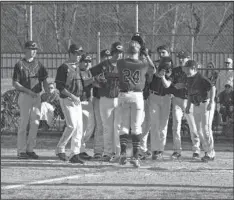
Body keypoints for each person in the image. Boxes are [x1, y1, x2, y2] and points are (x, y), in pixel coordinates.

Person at [117, 35, 155, 168]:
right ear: (139, 51)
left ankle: (122, 153)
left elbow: (125, 58)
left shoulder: (121, 63)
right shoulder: (143, 64)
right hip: (137, 96)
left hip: (123, 95)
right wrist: (146, 54)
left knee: (124, 126)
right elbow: (153, 70)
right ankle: (135, 156)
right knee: (136, 127)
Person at [12, 40, 49, 159]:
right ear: (25, 50)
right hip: (25, 96)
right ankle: (21, 150)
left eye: (35, 50)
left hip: (37, 96)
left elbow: (44, 80)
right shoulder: (19, 64)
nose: (34, 52)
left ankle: (30, 149)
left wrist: (48, 92)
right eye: (31, 49)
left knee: (35, 124)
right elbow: (15, 83)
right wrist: (28, 91)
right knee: (23, 123)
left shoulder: (39, 64)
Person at [55, 44, 88, 163]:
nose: (78, 56)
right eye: (76, 53)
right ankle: (60, 148)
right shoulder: (63, 67)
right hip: (67, 100)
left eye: (79, 54)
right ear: (70, 53)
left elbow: (81, 83)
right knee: (72, 126)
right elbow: (60, 87)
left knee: (79, 128)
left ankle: (75, 153)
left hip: (77, 100)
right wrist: (72, 96)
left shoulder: (78, 67)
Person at [89, 43, 123, 162]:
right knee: (107, 127)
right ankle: (108, 153)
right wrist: (96, 81)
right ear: (112, 52)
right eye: (116, 52)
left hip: (119, 99)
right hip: (105, 99)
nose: (118, 55)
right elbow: (89, 74)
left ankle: (119, 153)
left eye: (120, 53)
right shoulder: (104, 64)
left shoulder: (123, 65)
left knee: (118, 127)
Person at [169, 51, 200, 159]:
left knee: (193, 126)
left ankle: (196, 150)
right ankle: (177, 150)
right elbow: (170, 82)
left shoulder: (191, 70)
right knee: (176, 125)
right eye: (179, 57)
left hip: (188, 100)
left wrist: (183, 85)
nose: (181, 59)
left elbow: (196, 84)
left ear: (188, 58)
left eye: (183, 57)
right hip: (177, 99)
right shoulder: (176, 70)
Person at [183, 60, 215, 162]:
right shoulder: (188, 79)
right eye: (186, 69)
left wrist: (211, 102)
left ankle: (210, 152)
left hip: (206, 104)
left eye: (189, 69)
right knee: (199, 130)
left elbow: (213, 87)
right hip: (196, 105)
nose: (186, 71)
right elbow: (189, 93)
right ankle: (207, 151)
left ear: (194, 69)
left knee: (206, 129)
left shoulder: (201, 78)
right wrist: (188, 106)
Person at [148, 56, 173, 160]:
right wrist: (154, 73)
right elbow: (149, 80)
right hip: (154, 97)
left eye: (169, 64)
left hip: (166, 98)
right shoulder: (155, 68)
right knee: (154, 124)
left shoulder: (171, 72)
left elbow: (167, 85)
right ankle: (154, 149)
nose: (167, 66)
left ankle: (160, 150)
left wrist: (162, 76)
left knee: (163, 125)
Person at [91, 49, 112, 160]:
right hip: (99, 99)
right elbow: (88, 77)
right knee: (100, 126)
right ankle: (98, 151)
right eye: (105, 56)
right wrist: (96, 83)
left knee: (110, 126)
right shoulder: (98, 68)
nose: (106, 58)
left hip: (110, 100)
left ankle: (109, 151)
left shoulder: (114, 68)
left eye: (108, 56)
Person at [78, 53, 95, 160]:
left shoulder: (89, 72)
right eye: (85, 61)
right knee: (82, 127)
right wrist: (94, 80)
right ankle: (80, 150)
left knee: (90, 127)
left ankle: (81, 146)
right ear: (80, 62)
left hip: (88, 102)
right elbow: (83, 83)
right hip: (79, 102)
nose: (87, 63)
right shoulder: (77, 72)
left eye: (89, 61)